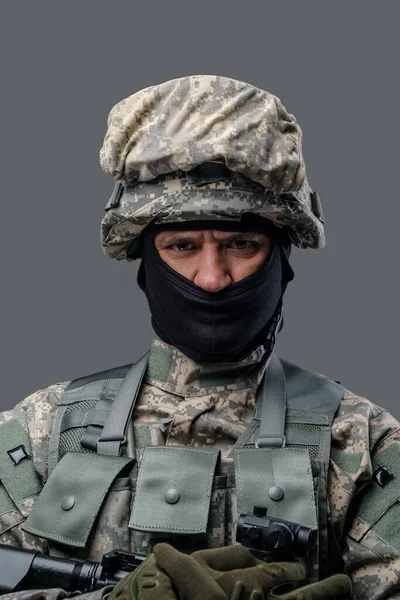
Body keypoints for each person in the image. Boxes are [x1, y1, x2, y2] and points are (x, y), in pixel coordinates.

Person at [0, 75, 399, 600]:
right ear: (145, 262)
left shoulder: (363, 440)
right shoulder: (40, 432)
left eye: (240, 243)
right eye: (183, 245)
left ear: (282, 259)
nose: (212, 278)